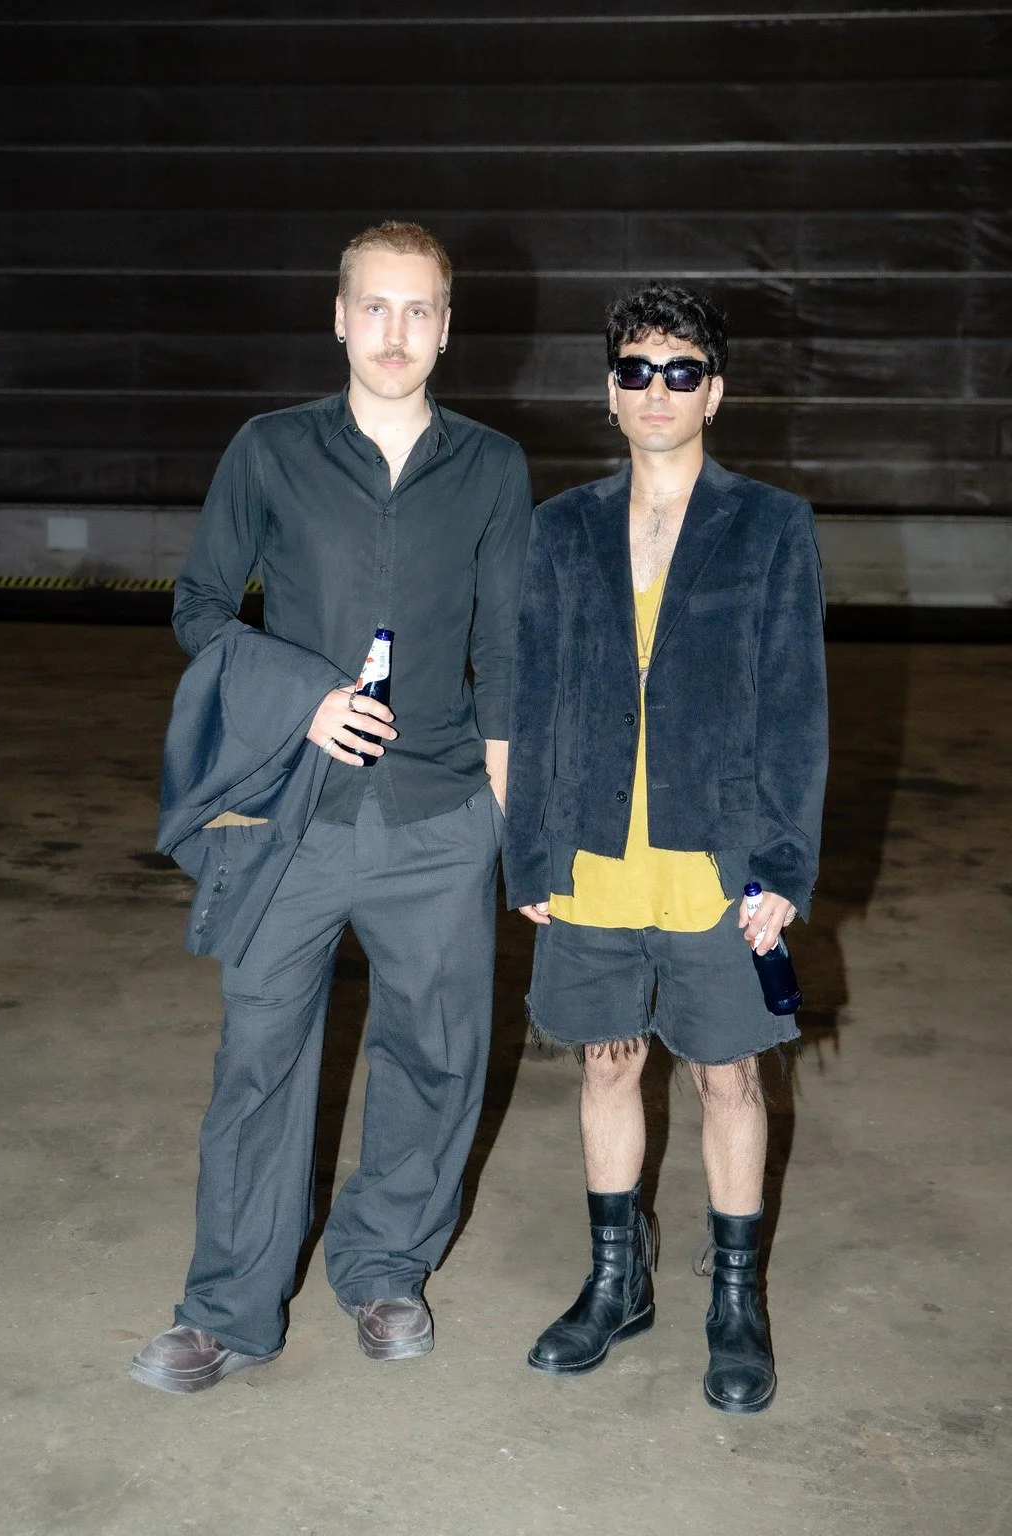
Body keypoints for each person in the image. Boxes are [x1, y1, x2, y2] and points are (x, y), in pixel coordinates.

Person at [131, 221, 532, 1393]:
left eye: (419, 311)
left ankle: (384, 1268)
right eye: (375, 307)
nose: (395, 332)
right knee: (258, 1058)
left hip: (440, 816)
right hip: (293, 817)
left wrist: (514, 834)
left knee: (436, 1054)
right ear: (338, 315)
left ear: (447, 327)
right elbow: (201, 606)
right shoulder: (268, 450)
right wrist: (301, 695)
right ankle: (227, 1309)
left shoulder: (494, 469)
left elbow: (506, 654)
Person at [502, 282, 828, 1413]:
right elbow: (534, 689)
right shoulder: (562, 528)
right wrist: (527, 851)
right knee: (605, 1061)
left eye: (680, 371)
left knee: (726, 1073)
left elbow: (794, 706)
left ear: (716, 393)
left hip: (715, 851)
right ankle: (614, 1281)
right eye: (636, 369)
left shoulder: (771, 525)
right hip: (592, 848)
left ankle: (734, 1301)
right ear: (609, 392)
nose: (657, 390)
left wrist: (783, 867)